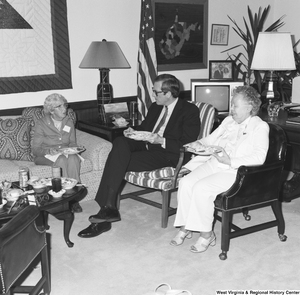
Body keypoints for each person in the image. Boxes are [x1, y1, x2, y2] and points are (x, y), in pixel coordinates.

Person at [78, 74, 201, 238]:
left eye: (156, 92)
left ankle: (106, 213)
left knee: (116, 162)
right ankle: (108, 208)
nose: (153, 95)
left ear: (168, 94)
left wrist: (161, 140)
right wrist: (133, 131)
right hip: (148, 145)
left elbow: (187, 143)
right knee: (121, 141)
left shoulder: (189, 110)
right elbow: (145, 127)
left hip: (168, 153)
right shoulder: (156, 106)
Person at [170, 85, 270, 253]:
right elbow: (211, 139)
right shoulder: (229, 121)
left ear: (250, 107)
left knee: (202, 188)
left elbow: (259, 158)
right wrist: (199, 144)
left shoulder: (260, 127)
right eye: (232, 105)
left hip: (236, 171)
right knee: (186, 182)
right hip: (215, 163)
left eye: (235, 106)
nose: (232, 110)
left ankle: (207, 235)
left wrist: (230, 160)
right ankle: (186, 226)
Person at [32, 93, 83, 212]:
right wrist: (49, 150)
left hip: (64, 153)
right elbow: (35, 150)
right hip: (45, 155)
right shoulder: (41, 123)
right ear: (51, 110)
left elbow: (72, 143)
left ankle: (74, 198)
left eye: (64, 105)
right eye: (59, 106)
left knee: (73, 158)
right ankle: (64, 198)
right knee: (61, 160)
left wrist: (75, 149)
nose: (64, 109)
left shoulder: (68, 121)